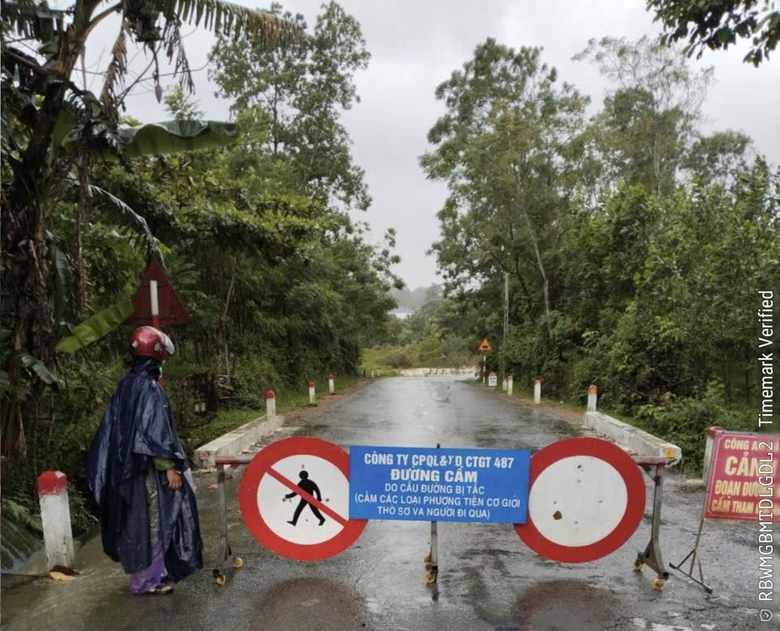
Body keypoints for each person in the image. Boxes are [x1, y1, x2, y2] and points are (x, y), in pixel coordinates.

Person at [86, 326, 203, 595]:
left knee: (135, 521)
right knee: (154, 520)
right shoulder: (149, 388)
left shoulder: (125, 384)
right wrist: (168, 467)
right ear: (157, 355)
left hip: (126, 469)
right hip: (147, 470)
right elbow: (154, 432)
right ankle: (148, 580)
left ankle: (150, 576)